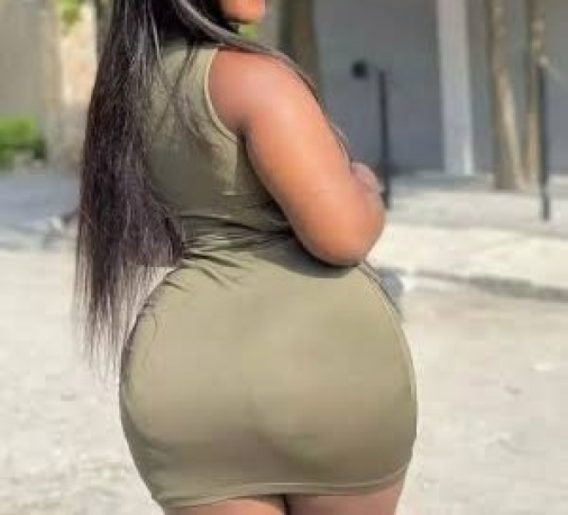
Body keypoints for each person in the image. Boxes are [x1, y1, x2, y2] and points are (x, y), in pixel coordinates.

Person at [72, 1, 418, 514]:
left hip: (186, 382)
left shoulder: (126, 92)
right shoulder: (254, 80)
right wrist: (364, 185)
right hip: (328, 368)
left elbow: (145, 241)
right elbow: (342, 236)